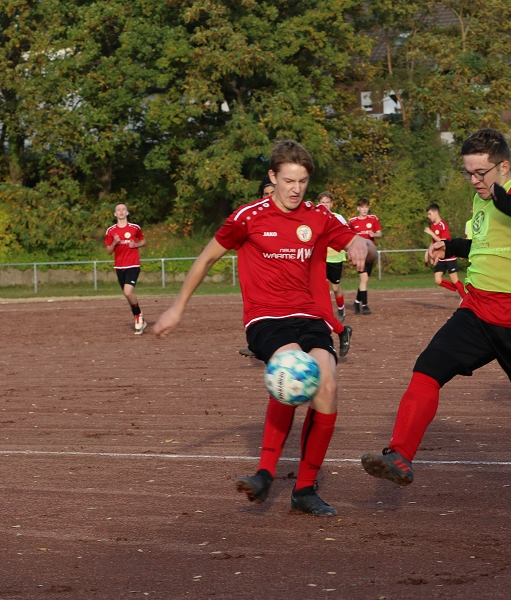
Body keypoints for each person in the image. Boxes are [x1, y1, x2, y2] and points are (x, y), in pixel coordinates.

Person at [360, 128, 511, 486]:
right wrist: (452, 245)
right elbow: (485, 245)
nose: (474, 180)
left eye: (481, 173)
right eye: (468, 172)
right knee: (428, 368)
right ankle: (400, 455)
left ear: (503, 166)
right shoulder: (481, 199)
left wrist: (506, 200)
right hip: (477, 308)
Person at [153, 140, 377, 516]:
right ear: (272, 177)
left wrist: (360, 243)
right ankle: (265, 473)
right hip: (266, 318)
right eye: (289, 180)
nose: (296, 188)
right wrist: (177, 308)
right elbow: (206, 259)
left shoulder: (319, 217)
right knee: (292, 369)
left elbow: (369, 251)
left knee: (328, 386)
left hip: (310, 317)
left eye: (303, 181)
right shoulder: (248, 217)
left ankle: (305, 489)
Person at [239, 177, 278, 358]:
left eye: (273, 193)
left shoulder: (286, 216)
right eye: (266, 194)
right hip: (260, 275)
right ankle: (258, 344)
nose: (269, 197)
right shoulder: (252, 217)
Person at [316, 191, 353, 357]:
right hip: (320, 260)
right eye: (322, 202)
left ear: (332, 204)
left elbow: (347, 236)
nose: (325, 205)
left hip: (336, 258)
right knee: (319, 294)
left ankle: (340, 312)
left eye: (327, 202)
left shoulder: (338, 218)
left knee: (336, 288)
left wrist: (352, 249)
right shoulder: (313, 217)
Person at [105, 203, 147, 334]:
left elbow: (143, 241)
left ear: (127, 212)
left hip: (133, 265)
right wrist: (114, 243)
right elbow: (108, 251)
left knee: (128, 292)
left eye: (123, 209)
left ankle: (138, 315)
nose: (121, 211)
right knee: (128, 296)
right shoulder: (111, 231)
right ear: (115, 214)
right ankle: (140, 320)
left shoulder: (135, 228)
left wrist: (136, 244)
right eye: (118, 210)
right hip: (119, 266)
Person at [348, 198, 382, 314]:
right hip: (359, 254)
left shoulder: (373, 219)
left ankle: (357, 302)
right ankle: (365, 305)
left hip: (370, 253)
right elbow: (348, 237)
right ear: (358, 208)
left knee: (365, 280)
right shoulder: (352, 221)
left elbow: (380, 233)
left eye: (366, 207)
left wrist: (375, 234)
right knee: (364, 278)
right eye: (362, 207)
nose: (364, 209)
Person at [424, 203, 466, 298]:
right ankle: (460, 289)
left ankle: (465, 299)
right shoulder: (432, 225)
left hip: (449, 257)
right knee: (437, 280)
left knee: (454, 280)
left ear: (436, 213)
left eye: (430, 214)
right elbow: (434, 241)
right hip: (440, 257)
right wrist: (429, 252)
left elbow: (444, 241)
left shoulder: (443, 224)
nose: (428, 216)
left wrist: (431, 233)